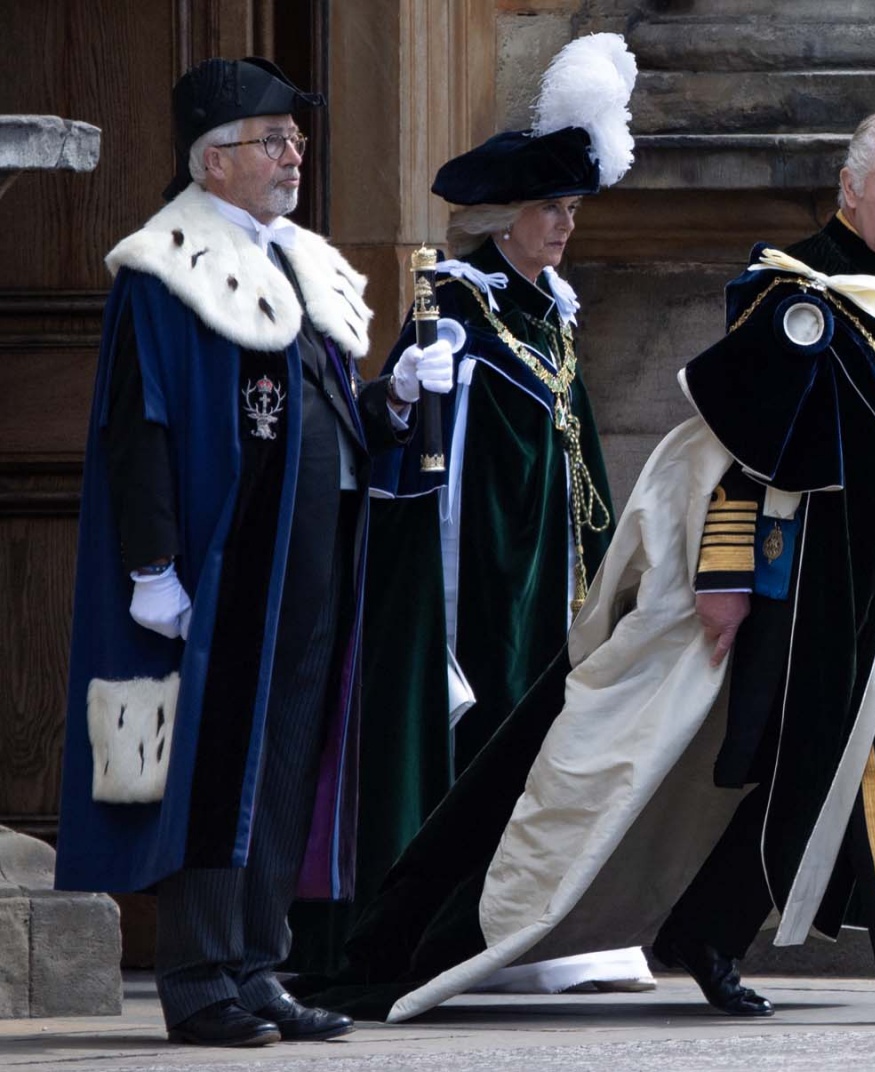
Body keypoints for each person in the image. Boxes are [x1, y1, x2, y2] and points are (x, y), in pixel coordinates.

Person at [363, 110, 875, 1027]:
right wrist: (722, 576)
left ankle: (707, 930)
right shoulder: (790, 288)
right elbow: (741, 446)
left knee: (807, 762)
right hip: (815, 582)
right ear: (849, 190)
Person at [52, 57, 452, 1047]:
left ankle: (256, 960)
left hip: (303, 566)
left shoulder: (291, 263)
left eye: (296, 141)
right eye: (273, 141)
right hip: (224, 565)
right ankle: (197, 977)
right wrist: (151, 567)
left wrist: (394, 396)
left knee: (285, 762)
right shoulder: (163, 267)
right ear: (213, 161)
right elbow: (136, 425)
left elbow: (319, 424)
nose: (293, 157)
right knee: (214, 761)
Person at [286, 33, 652, 1009]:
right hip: (476, 577)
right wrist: (404, 395)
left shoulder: (554, 310)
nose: (564, 226)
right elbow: (381, 431)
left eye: (572, 208)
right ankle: (449, 923)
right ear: (507, 215)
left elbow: (574, 444)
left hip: (551, 569)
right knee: (485, 737)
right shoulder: (455, 303)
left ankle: (548, 923)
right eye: (549, 209)